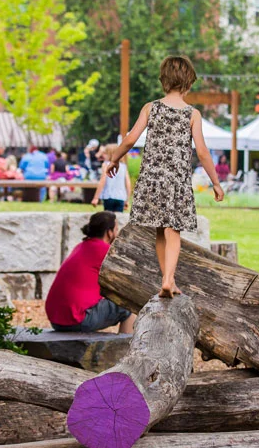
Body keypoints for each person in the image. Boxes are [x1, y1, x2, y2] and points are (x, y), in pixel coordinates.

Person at [97, 56, 227, 297]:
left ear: (163, 80)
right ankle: (168, 279)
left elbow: (130, 139)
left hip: (151, 180)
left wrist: (114, 159)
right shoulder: (192, 114)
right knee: (172, 231)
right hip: (176, 182)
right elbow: (202, 151)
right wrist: (216, 182)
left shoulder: (151, 108)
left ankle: (168, 279)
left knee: (160, 230)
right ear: (189, 82)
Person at [46, 212, 136, 334]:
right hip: (77, 319)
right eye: (116, 229)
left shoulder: (80, 247)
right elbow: (129, 277)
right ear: (109, 232)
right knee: (130, 305)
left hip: (56, 320)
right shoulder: (106, 251)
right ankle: (125, 345)